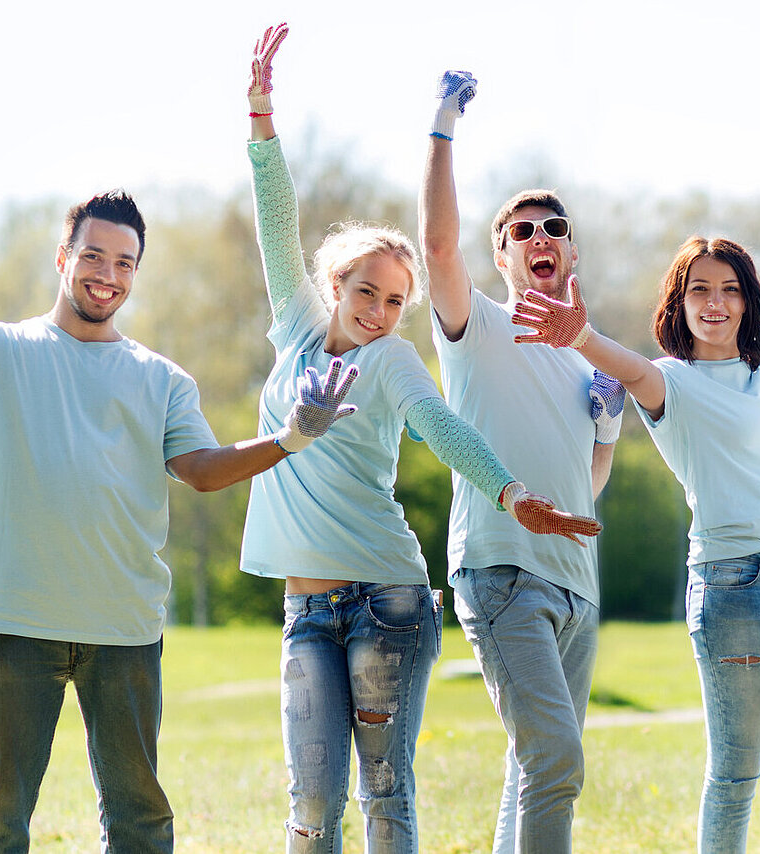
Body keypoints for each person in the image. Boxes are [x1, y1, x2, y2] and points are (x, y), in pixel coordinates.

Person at [0, 190, 357, 853]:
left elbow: (203, 469)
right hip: (15, 618)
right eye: (94, 256)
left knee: (139, 822)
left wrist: (290, 438)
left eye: (126, 263)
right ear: (63, 256)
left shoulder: (163, 380)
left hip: (122, 625)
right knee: (0, 819)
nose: (109, 274)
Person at [236, 27, 600, 852]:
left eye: (398, 300)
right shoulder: (295, 327)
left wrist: (509, 492)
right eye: (367, 291)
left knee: (387, 801)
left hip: (390, 601)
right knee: (310, 807)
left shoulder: (396, 360)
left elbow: (445, 427)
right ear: (334, 286)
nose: (380, 310)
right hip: (304, 607)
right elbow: (274, 218)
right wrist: (261, 118)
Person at [509, 164, 760, 849]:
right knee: (735, 778)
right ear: (678, 303)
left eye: (731, 290)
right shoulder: (670, 383)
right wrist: (578, 333)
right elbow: (626, 364)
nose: (716, 302)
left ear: (748, 301)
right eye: (700, 289)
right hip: (736, 589)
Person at [419, 69, 623, 853]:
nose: (541, 238)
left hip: (578, 589)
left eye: (555, 228)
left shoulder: (585, 361)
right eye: (522, 233)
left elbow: (587, 485)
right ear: (502, 258)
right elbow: (437, 245)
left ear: (572, 250)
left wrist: (606, 429)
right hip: (503, 573)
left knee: (531, 766)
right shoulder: (477, 327)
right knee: (556, 758)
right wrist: (442, 128)